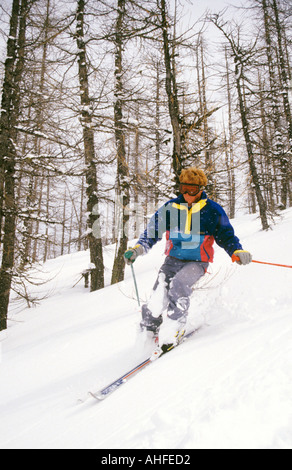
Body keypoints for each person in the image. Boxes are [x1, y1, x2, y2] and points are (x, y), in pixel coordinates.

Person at [124, 167, 252, 352]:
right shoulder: (171, 208)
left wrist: (237, 251)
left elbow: (226, 236)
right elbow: (153, 231)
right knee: (159, 292)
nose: (187, 194)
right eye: (183, 188)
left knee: (179, 284)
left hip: (197, 261)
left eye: (191, 190)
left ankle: (175, 327)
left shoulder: (212, 210)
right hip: (173, 259)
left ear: (200, 188)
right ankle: (149, 329)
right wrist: (138, 249)